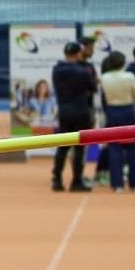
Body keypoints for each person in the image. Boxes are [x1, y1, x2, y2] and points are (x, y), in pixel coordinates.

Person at [50, 41, 97, 192]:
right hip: (81, 111)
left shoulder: (56, 70)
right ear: (78, 54)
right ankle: (76, 181)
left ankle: (57, 179)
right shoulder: (83, 71)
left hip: (64, 111)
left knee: (62, 146)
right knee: (79, 148)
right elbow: (93, 88)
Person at [99, 52, 135, 192]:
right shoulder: (129, 76)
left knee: (114, 149)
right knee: (134, 148)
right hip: (128, 111)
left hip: (112, 112)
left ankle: (117, 185)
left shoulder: (104, 78)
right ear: (122, 62)